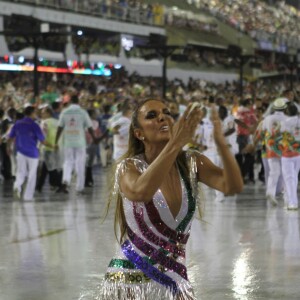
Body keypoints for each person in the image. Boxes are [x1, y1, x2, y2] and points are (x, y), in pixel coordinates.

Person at [99, 99, 243, 299]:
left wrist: (221, 143)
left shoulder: (192, 161)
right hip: (128, 280)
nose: (162, 117)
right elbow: (141, 192)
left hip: (176, 277)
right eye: (152, 115)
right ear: (139, 133)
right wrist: (176, 143)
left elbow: (233, 186)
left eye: (166, 113)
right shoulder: (128, 167)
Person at [6, 106, 55, 201]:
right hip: (32, 153)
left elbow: (10, 138)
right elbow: (43, 141)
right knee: (32, 174)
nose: (36, 114)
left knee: (20, 172)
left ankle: (17, 186)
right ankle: (28, 196)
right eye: (35, 113)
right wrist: (53, 146)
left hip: (20, 152)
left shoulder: (17, 124)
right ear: (32, 113)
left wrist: (8, 147)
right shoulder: (34, 125)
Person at [55, 94, 98, 194]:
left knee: (68, 162)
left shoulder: (64, 112)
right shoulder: (83, 112)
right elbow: (90, 127)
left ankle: (66, 180)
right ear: (78, 101)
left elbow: (59, 128)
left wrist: (55, 141)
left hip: (68, 142)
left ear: (70, 102)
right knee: (80, 163)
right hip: (80, 142)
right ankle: (79, 187)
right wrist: (94, 138)